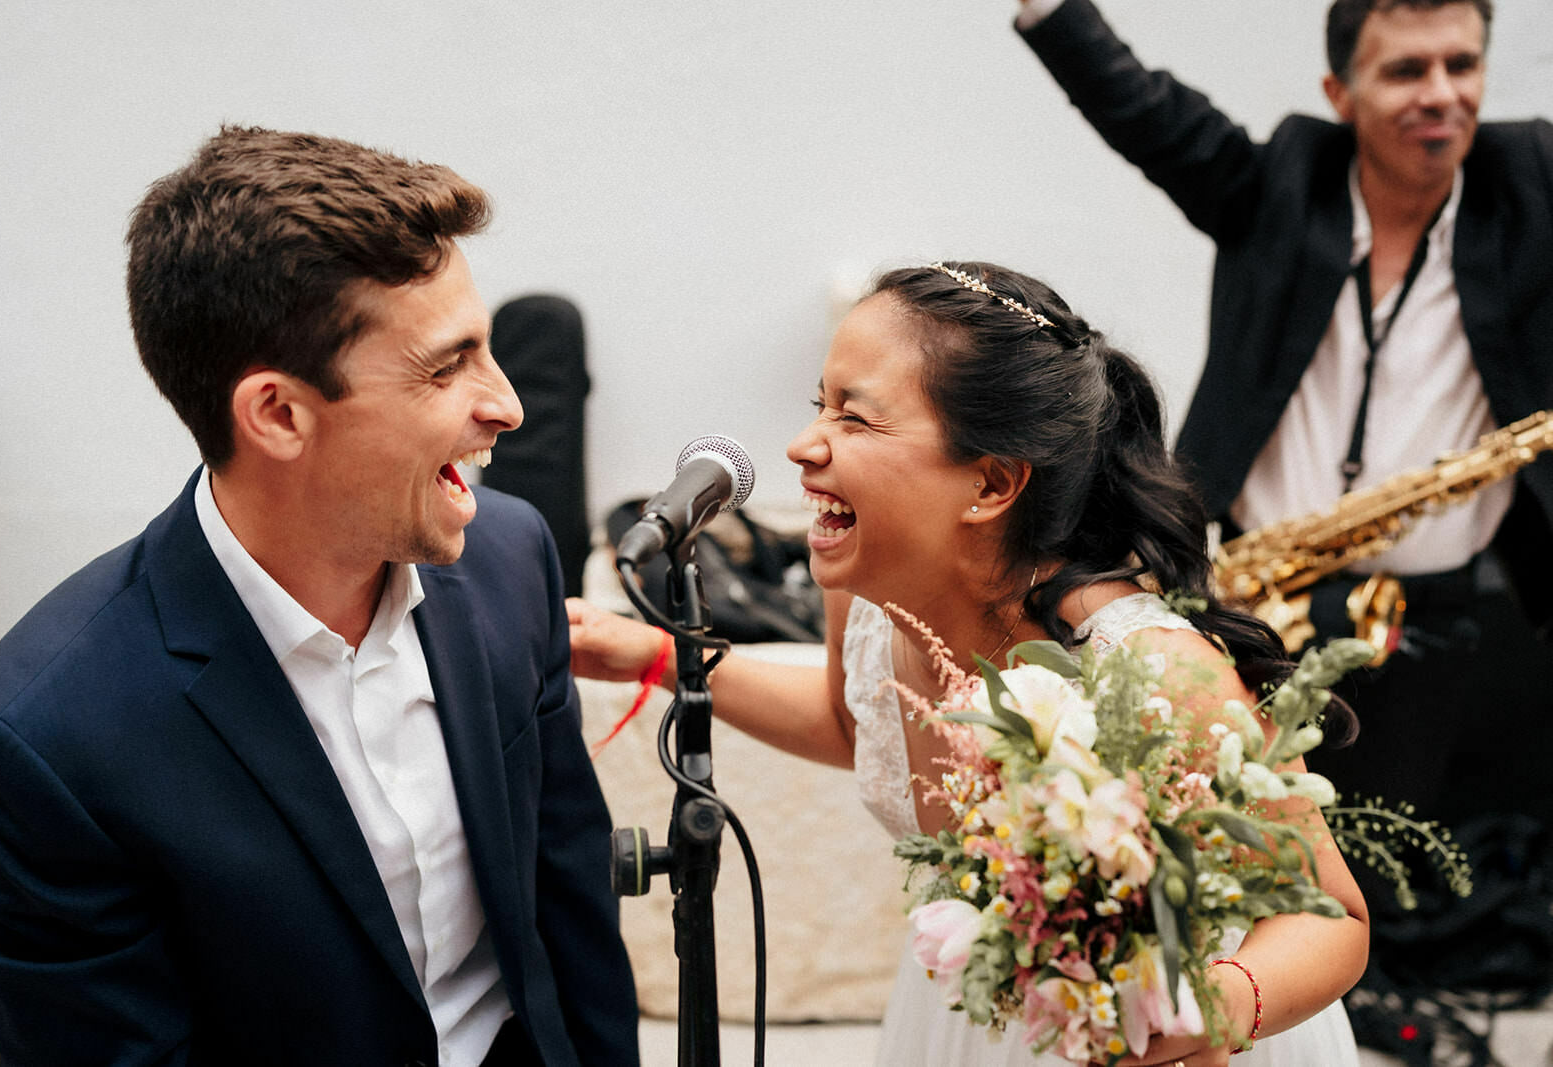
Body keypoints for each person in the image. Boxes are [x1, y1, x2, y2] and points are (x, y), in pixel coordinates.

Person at [0, 126, 639, 1066]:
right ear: (277, 413)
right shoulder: (40, 744)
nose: (508, 404)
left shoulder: (508, 554)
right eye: (447, 366)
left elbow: (570, 900)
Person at [569, 260, 1369, 1065]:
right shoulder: (874, 585)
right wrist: (659, 655)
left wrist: (1214, 1005)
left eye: (855, 417)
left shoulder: (1151, 668)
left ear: (990, 482)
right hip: (977, 1017)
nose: (802, 444)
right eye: (822, 405)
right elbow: (854, 723)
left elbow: (1331, 915)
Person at [1010, 0, 1553, 1023]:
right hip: (1259, 587)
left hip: (1429, 605)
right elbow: (1146, 111)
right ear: (1339, 95)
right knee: (1248, 845)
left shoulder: (1526, 188)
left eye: (1460, 64)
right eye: (1403, 72)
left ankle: (1342, 1018)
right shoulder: (1279, 188)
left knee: (1375, 859)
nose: (1439, 93)